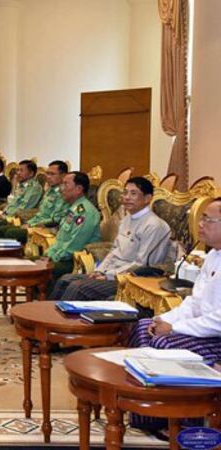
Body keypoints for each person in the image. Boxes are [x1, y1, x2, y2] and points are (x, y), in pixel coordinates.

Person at [126, 198, 221, 435]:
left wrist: (175, 329)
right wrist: (166, 319)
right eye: (202, 218)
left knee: (163, 342)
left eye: (208, 220)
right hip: (202, 329)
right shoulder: (213, 256)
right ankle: (147, 414)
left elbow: (218, 320)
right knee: (143, 327)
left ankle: (185, 419)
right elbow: (194, 302)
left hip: (216, 338)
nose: (201, 225)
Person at [51, 177, 173, 300]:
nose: (127, 197)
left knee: (77, 287)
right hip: (110, 272)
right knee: (65, 280)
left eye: (133, 193)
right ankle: (47, 314)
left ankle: (56, 319)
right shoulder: (126, 219)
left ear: (147, 198)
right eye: (125, 192)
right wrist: (100, 270)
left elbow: (142, 265)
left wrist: (109, 275)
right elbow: (114, 251)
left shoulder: (154, 225)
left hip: (128, 279)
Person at [42, 171, 101, 294]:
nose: (61, 188)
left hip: (74, 261)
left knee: (42, 269)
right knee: (32, 262)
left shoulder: (86, 212)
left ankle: (47, 304)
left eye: (66, 184)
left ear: (79, 189)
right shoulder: (73, 208)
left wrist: (53, 258)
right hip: (61, 256)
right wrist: (48, 254)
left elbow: (74, 245)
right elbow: (61, 239)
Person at [0, 160, 69, 243]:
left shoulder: (65, 193)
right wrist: (30, 223)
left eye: (52, 174)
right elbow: (40, 212)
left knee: (9, 232)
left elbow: (56, 218)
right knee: (2, 228)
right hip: (34, 222)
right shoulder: (50, 191)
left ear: (64, 176)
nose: (48, 177)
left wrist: (32, 225)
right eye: (47, 173)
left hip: (45, 228)